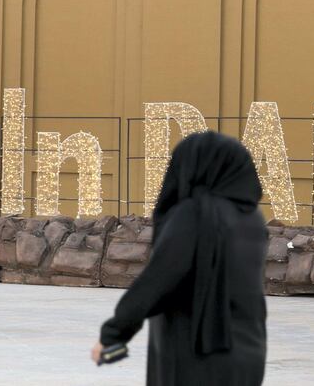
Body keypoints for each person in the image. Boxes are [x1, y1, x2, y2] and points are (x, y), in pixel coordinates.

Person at [92, 131, 268, 385]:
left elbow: (160, 279)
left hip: (197, 356)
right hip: (248, 354)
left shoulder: (195, 214)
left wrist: (114, 333)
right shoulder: (252, 219)